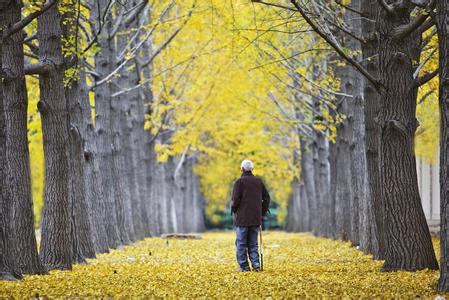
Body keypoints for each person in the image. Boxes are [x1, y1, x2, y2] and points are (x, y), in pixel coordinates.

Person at [231, 159, 270, 272]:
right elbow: (266, 198)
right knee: (253, 243)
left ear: (242, 169)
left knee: (241, 243)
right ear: (252, 169)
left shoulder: (239, 182)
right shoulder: (259, 181)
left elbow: (235, 199)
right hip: (255, 218)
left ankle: (244, 267)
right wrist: (262, 212)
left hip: (242, 219)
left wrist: (234, 209)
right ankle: (256, 265)